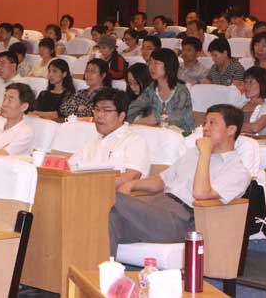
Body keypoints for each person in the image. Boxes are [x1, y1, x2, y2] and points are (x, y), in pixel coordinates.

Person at [109, 104, 250, 255]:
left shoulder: (237, 170)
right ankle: (103, 269)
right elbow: (161, 180)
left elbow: (200, 194)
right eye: (205, 123)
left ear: (231, 130)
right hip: (157, 208)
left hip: (183, 220)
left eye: (212, 123)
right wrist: (132, 184)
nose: (205, 128)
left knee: (107, 197)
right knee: (105, 220)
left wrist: (205, 152)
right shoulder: (193, 154)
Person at [69, 88, 150, 187]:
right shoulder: (92, 142)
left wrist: (93, 185)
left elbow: (131, 177)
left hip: (113, 194)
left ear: (121, 116)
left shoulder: (134, 141)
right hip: (83, 191)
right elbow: (68, 168)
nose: (99, 115)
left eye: (106, 110)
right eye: (97, 109)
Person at [135, 48, 195, 134]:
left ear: (168, 66)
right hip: (157, 133)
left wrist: (154, 119)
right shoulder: (151, 88)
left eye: (156, 63)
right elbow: (135, 107)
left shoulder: (181, 91)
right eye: (150, 62)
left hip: (181, 135)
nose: (151, 67)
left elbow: (176, 120)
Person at [0, 83, 35, 156]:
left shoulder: (25, 132)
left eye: (10, 100)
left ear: (24, 107)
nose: (4, 104)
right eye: (4, 99)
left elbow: (3, 154)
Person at [240, 67, 266, 136]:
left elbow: (255, 128)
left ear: (263, 84)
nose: (246, 86)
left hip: (258, 142)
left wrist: (232, 126)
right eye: (245, 82)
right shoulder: (242, 105)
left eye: (251, 82)